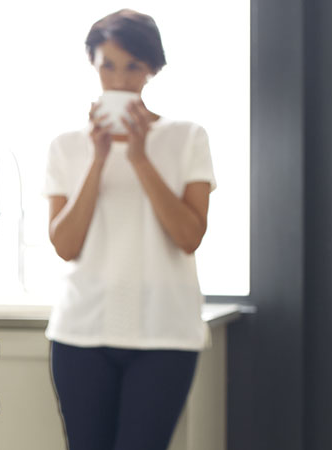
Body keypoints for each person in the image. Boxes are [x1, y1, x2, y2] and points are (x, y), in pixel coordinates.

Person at [43, 9, 216, 450]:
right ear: (93, 64)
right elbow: (66, 245)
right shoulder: (67, 146)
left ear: (152, 70)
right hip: (81, 334)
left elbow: (188, 236)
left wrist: (139, 157)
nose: (119, 80)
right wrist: (99, 160)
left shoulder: (188, 138)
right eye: (108, 66)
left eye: (133, 67)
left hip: (165, 333)